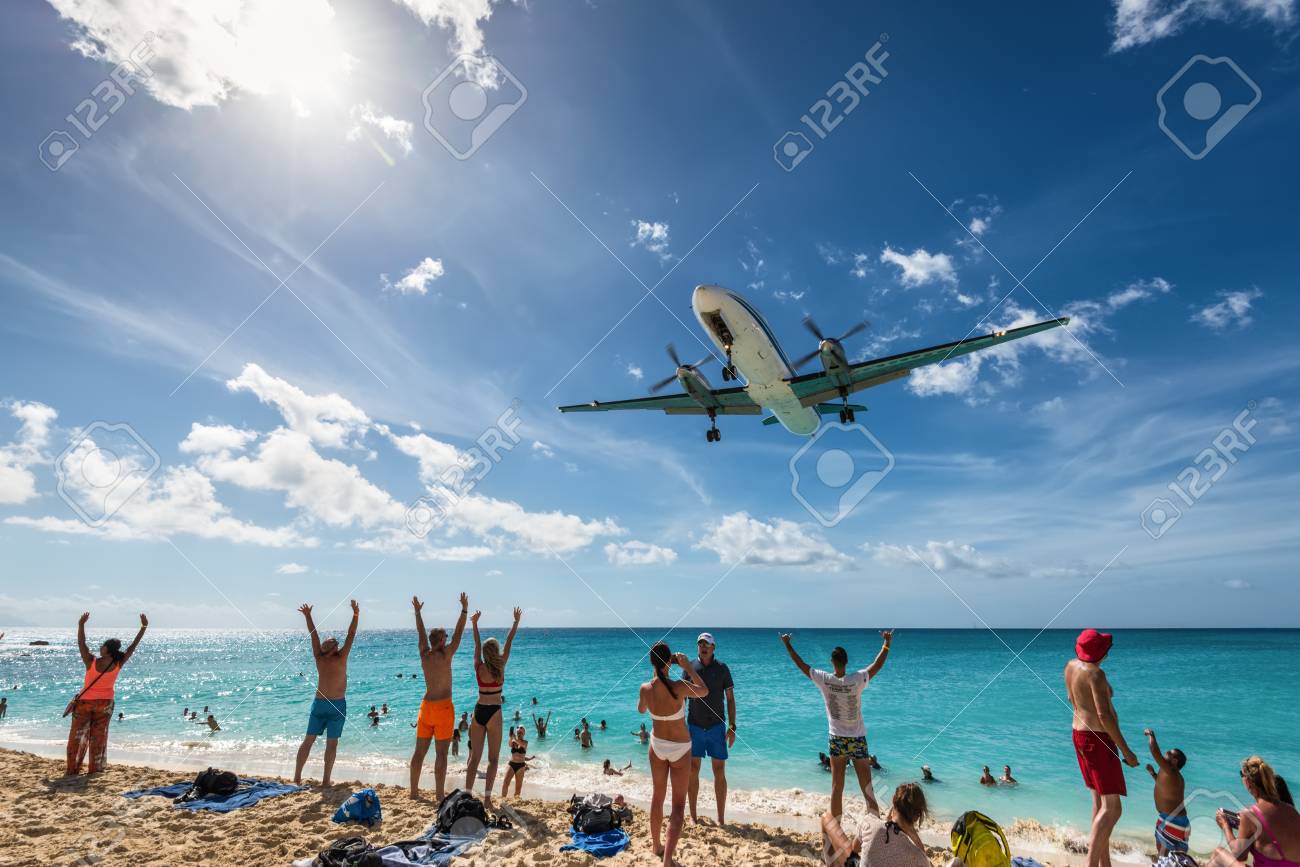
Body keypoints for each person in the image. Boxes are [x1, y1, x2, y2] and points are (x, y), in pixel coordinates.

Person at [780, 630, 892, 818]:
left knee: (836, 788)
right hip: (857, 738)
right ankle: (875, 831)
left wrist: (787, 644)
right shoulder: (857, 679)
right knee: (867, 788)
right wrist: (886, 643)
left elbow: (801, 665)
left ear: (832, 662)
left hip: (837, 739)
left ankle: (837, 830)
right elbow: (877, 665)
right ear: (846, 662)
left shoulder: (825, 680)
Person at [1064, 628, 1139, 867]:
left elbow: (1071, 699)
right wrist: (1126, 750)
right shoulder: (1095, 674)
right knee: (1113, 809)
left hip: (1079, 735)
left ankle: (1103, 863)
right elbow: (1104, 716)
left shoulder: (1070, 667)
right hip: (1097, 739)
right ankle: (1090, 864)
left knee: (1099, 803)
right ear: (1101, 652)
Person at [639, 642, 709, 867]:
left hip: (658, 746)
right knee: (678, 805)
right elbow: (704, 690)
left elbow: (641, 709)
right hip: (680, 748)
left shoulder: (645, 688)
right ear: (670, 662)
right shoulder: (679, 686)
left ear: (651, 662)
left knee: (657, 797)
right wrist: (688, 667)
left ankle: (656, 845)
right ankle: (667, 858)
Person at [66, 612, 148, 776]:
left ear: (107, 649)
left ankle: (73, 769)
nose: (100, 648)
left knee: (77, 737)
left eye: (102, 646)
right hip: (105, 704)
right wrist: (144, 627)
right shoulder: (118, 662)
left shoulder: (91, 661)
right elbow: (133, 646)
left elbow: (81, 643)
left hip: (85, 703)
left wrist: (81, 625)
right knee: (99, 737)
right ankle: (95, 769)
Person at [293, 600, 359, 787]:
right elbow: (313, 635)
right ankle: (297, 776)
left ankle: (325, 780)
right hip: (323, 704)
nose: (334, 640)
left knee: (332, 743)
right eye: (331, 640)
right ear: (326, 647)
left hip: (335, 704)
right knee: (309, 740)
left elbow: (351, 634)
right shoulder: (320, 657)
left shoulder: (341, 656)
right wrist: (308, 616)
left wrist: (355, 615)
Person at [409, 593, 468, 801]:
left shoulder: (424, 654)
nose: (448, 639)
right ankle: (439, 795)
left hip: (426, 707)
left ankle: (414, 793)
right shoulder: (446, 654)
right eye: (446, 637)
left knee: (419, 753)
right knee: (441, 754)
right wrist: (464, 610)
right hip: (442, 708)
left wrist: (417, 612)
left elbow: (420, 632)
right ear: (442, 641)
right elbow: (460, 633)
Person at [463, 606, 522, 810]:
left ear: (484, 653)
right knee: (493, 759)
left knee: (474, 759)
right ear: (496, 651)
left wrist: (474, 623)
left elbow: (476, 645)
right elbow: (510, 641)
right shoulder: (501, 665)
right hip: (494, 712)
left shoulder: (478, 666)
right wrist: (515, 621)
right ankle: (487, 799)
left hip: (478, 710)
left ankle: (467, 795)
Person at [1212, 756, 1300, 867]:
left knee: (1218, 853)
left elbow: (1240, 855)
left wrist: (1225, 825)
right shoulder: (1292, 811)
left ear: (1248, 782)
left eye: (1241, 775)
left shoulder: (1250, 815)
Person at [687, 631, 736, 825]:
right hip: (694, 726)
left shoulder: (722, 668)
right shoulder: (690, 667)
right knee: (693, 769)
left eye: (706, 644)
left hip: (717, 726)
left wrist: (732, 726)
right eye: (700, 644)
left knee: (719, 770)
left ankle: (721, 818)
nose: (703, 647)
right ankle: (692, 816)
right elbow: (681, 696)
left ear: (713, 647)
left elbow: (731, 700)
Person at [821, 782, 930, 867]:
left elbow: (854, 851)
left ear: (893, 800)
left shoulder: (871, 823)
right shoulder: (919, 857)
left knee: (826, 818)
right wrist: (913, 835)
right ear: (917, 816)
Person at [1143, 728, 1189, 856]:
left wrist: (1151, 735)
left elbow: (1154, 751)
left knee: (1163, 856)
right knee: (1177, 859)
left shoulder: (1170, 770)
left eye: (1169, 753)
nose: (1165, 753)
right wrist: (1153, 774)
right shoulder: (1176, 776)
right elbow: (1164, 787)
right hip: (1182, 822)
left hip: (1170, 821)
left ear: (1174, 761)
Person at [500, 725, 533, 799]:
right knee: (505, 782)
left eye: (521, 731)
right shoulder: (513, 741)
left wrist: (514, 738)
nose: (520, 733)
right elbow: (509, 744)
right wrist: (511, 737)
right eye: (519, 731)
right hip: (512, 764)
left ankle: (516, 801)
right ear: (517, 732)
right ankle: (503, 799)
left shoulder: (525, 742)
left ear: (524, 733)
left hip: (521, 766)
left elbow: (521, 744)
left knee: (518, 787)